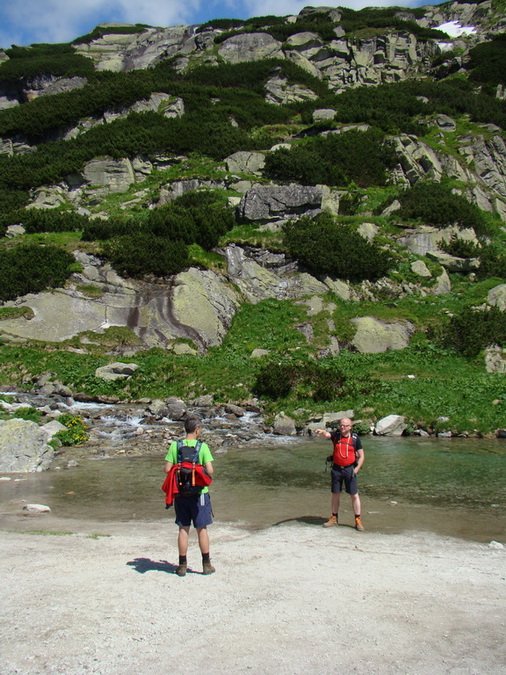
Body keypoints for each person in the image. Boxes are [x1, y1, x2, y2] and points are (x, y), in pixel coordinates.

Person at [164, 416, 215, 576]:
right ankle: (206, 565)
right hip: (200, 493)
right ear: (197, 429)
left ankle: (182, 566)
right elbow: (210, 471)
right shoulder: (203, 446)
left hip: (180, 493)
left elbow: (167, 469)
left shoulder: (175, 445)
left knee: (183, 528)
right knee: (202, 528)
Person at [315, 417, 365, 531]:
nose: (342, 427)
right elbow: (328, 435)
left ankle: (358, 519)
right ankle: (334, 517)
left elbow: (362, 456)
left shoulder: (355, 439)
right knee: (335, 493)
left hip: (350, 469)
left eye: (345, 425)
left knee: (354, 494)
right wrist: (322, 432)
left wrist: (356, 469)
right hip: (337, 469)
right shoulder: (336, 436)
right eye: (341, 425)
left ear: (350, 427)